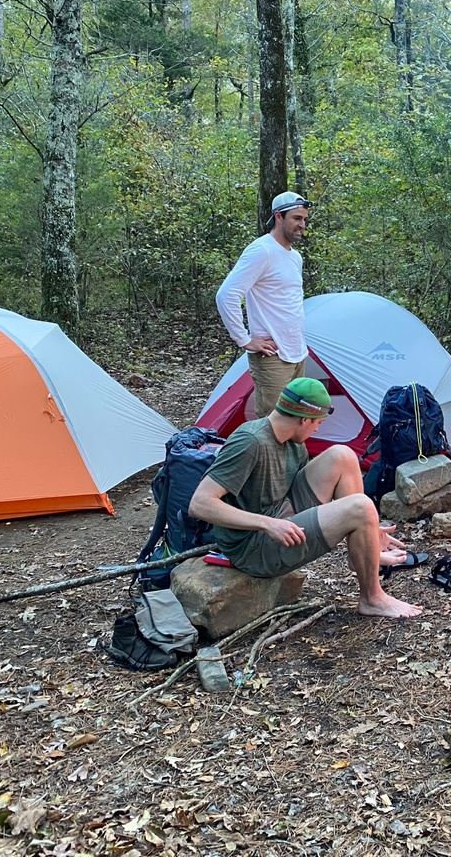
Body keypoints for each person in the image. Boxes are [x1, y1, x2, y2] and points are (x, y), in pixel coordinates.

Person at [188, 377, 423, 619]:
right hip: (253, 546)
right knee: (362, 508)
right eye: (318, 422)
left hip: (281, 512)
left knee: (343, 455)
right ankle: (372, 599)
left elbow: (310, 493)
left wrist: (368, 529)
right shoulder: (250, 442)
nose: (318, 429)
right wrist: (268, 524)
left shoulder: (293, 442)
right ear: (304, 419)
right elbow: (200, 504)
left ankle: (363, 552)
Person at [217, 191, 311, 418]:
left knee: (296, 420)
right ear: (279, 216)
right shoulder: (262, 250)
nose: (302, 225)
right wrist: (244, 339)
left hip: (297, 352)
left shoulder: (295, 257)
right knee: (274, 423)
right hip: (272, 356)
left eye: (304, 219)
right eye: (296, 218)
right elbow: (227, 294)